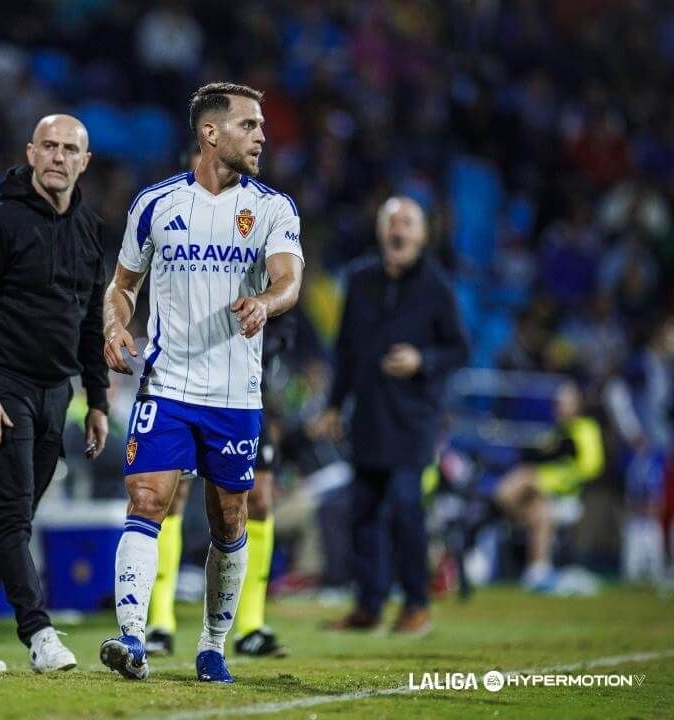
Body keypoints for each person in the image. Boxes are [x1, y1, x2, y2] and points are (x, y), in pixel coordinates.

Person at [99, 82, 303, 684]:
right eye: (249, 125)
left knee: (229, 521)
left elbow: (289, 278)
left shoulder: (272, 207)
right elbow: (122, 286)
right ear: (210, 133)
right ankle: (132, 638)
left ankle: (213, 644)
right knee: (147, 501)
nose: (261, 135)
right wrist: (114, 325)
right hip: (167, 385)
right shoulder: (155, 204)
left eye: (262, 126)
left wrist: (267, 302)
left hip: (235, 397)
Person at [0, 114, 110, 673]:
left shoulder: (89, 230)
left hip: (56, 392)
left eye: (70, 149)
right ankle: (38, 633)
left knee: (12, 519)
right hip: (4, 385)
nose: (59, 157)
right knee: (12, 515)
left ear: (85, 162)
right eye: (50, 146)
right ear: (31, 153)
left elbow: (90, 323)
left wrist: (98, 398)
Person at [313, 197, 469, 636]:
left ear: (422, 235)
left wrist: (422, 360)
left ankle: (416, 603)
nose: (399, 230)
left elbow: (459, 348)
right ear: (382, 232)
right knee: (362, 511)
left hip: (414, 417)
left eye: (408, 223)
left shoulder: (436, 284)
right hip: (368, 415)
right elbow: (344, 349)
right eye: (392, 222)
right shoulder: (360, 280)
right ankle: (368, 605)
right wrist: (332, 405)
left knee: (405, 507)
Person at [144, 312, 296, 659]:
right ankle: (160, 622)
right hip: (184, 386)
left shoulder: (267, 261)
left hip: (245, 390)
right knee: (171, 495)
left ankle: (250, 627)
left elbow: (286, 321)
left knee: (256, 499)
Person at [495, 380, 604, 590]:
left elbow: (589, 468)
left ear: (577, 404)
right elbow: (540, 455)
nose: (558, 406)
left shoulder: (585, 429)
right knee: (539, 511)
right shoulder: (557, 431)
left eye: (563, 402)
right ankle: (537, 571)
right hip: (541, 490)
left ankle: (537, 568)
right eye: (557, 402)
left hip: (565, 493)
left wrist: (547, 480)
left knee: (526, 488)